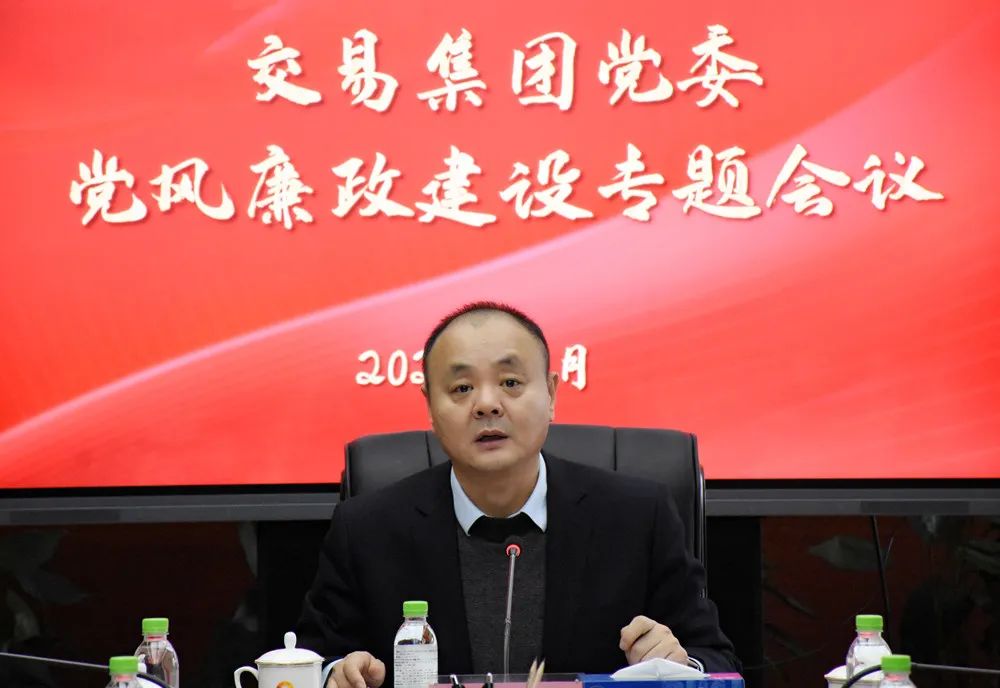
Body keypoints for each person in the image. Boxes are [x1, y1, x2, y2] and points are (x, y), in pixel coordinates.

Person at [297, 302, 739, 688]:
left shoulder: (638, 517)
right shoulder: (367, 530)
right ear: (430, 405)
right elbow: (310, 660)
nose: (487, 404)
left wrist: (679, 664)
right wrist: (337, 674)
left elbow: (717, 661)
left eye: (510, 383)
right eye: (462, 388)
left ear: (551, 394)